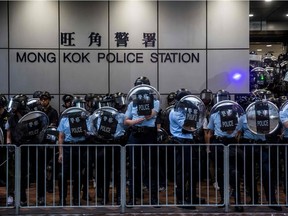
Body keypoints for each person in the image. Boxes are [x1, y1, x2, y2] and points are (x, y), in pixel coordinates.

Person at [206, 90, 245, 212]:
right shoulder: (215, 115)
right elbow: (210, 131)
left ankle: (237, 201)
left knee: (234, 173)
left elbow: (239, 130)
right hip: (219, 144)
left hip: (230, 143)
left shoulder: (237, 114)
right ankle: (223, 199)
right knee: (220, 172)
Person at [124, 76, 160, 206]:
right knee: (134, 167)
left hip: (149, 135)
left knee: (151, 167)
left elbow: (150, 114)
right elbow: (126, 120)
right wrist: (134, 121)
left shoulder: (155, 101)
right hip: (135, 134)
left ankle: (154, 199)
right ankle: (132, 197)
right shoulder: (132, 103)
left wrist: (140, 116)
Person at [6, 94, 45, 206]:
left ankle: (41, 197)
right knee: (21, 174)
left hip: (34, 147)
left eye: (15, 104)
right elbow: (8, 134)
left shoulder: (33, 116)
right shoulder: (11, 119)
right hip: (20, 148)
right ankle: (22, 199)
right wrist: (9, 145)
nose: (13, 106)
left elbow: (42, 127)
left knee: (39, 173)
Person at [169, 88, 203, 209]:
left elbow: (196, 124)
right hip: (180, 142)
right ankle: (181, 199)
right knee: (182, 172)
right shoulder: (176, 112)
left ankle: (192, 196)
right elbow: (188, 126)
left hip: (188, 142)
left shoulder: (184, 111)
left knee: (192, 171)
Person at [57, 105, 90, 206]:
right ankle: (62, 199)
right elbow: (61, 137)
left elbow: (90, 132)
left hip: (80, 147)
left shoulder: (85, 119)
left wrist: (86, 133)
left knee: (78, 174)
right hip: (67, 147)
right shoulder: (64, 119)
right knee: (62, 174)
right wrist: (60, 153)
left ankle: (76, 198)